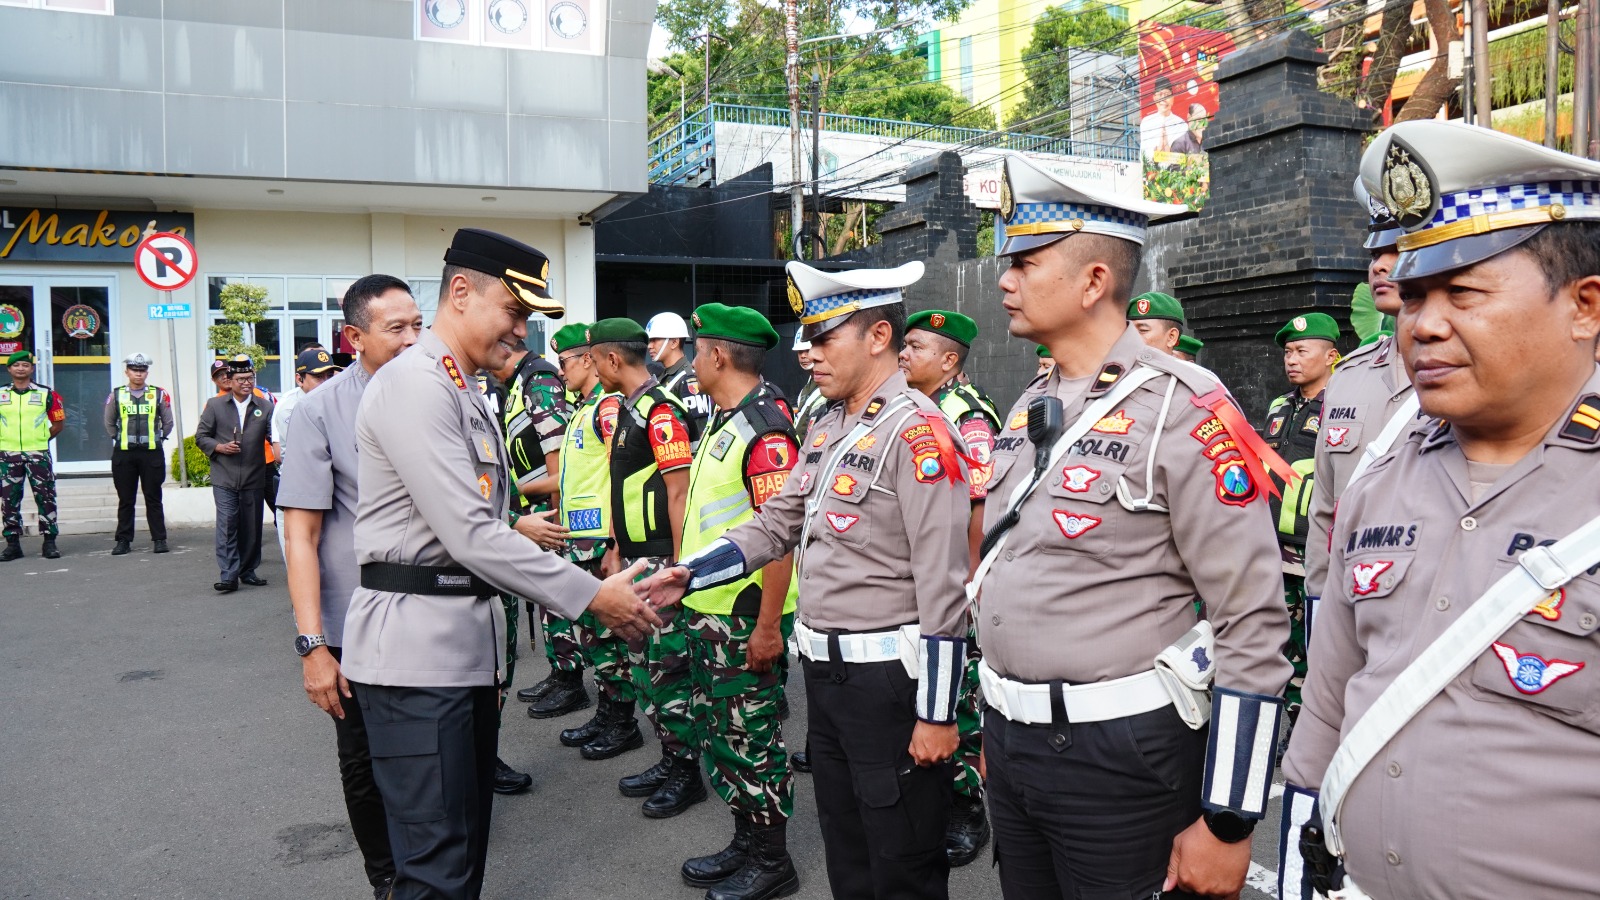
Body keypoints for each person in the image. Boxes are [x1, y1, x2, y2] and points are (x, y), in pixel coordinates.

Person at [1280, 121, 1600, 900]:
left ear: (1585, 305)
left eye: (1463, 293)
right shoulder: (1380, 480)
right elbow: (1331, 697)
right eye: (1415, 295)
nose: (1422, 324)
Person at [973, 152, 1293, 899]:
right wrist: (997, 723)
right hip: (1014, 739)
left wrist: (1229, 820)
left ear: (1094, 281)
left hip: (1121, 754)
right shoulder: (1031, 403)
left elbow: (1251, 617)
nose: (1004, 279)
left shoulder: (1186, 404)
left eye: (1025, 260)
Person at [340, 228, 661, 900]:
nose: (520, 333)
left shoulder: (462, 390)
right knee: (435, 873)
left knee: (458, 862)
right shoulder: (419, 387)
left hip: (453, 652)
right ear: (461, 292)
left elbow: (475, 523)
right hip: (416, 657)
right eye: (513, 313)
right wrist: (592, 595)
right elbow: (466, 533)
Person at [643, 258, 973, 900]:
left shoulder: (920, 434)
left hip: (888, 683)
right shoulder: (826, 425)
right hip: (826, 676)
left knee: (901, 859)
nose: (809, 354)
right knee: (848, 850)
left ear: (878, 337)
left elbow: (943, 585)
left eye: (824, 338)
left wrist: (937, 713)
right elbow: (775, 524)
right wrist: (690, 572)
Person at [279, 274, 423, 900]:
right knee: (366, 765)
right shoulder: (320, 411)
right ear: (353, 337)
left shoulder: (445, 393)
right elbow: (301, 537)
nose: (413, 340)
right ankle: (387, 879)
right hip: (358, 626)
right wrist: (313, 646)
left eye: (419, 325)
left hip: (437, 619)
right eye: (397, 329)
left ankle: (431, 869)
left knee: (438, 762)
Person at [675, 303, 802, 900]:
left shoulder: (765, 427)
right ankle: (746, 838)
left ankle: (773, 859)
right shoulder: (727, 420)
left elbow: (781, 536)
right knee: (721, 732)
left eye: (697, 350)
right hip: (712, 611)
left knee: (752, 736)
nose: (692, 359)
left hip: (746, 613)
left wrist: (769, 626)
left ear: (719, 355)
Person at [589, 316, 705, 817]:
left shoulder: (659, 411)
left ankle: (685, 771)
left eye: (594, 359)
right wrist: (615, 545)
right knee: (646, 668)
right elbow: (621, 483)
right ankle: (669, 755)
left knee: (667, 669)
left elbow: (677, 490)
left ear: (613, 359)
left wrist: (678, 564)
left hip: (660, 556)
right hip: (635, 555)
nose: (592, 368)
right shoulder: (630, 410)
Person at [897, 308, 998, 868]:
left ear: (949, 360)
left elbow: (979, 505)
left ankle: (967, 809)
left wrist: (969, 579)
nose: (904, 355)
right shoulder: (912, 408)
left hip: (953, 580)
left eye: (915, 347)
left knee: (957, 696)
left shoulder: (968, 415)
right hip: (916, 577)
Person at [1300, 179, 1418, 637]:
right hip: (1344, 603)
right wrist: (1317, 597)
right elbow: (1326, 508)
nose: (1380, 267)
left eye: (1397, 251)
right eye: (1374, 256)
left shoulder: (1479, 375)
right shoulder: (1349, 376)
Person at [545, 324, 639, 760]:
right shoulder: (584, 408)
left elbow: (618, 476)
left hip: (599, 542)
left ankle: (621, 721)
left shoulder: (606, 408)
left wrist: (615, 545)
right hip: (581, 540)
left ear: (588, 359)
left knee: (608, 635)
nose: (560, 372)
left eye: (564, 362)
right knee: (594, 637)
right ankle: (607, 710)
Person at [493, 338, 594, 722]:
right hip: (531, 509)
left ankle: (571, 680)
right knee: (545, 598)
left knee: (555, 594)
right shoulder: (519, 383)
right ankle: (559, 670)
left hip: (547, 512)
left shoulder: (538, 382)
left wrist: (556, 521)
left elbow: (556, 461)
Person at [1261, 312, 1339, 753]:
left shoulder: (1342, 406)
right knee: (1275, 643)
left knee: (1313, 650)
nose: (1292, 359)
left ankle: (1306, 731)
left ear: (1331, 356)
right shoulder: (1279, 406)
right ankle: (1273, 728)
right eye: (1288, 352)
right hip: (1272, 548)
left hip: (1312, 551)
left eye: (1301, 351)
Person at [195, 355, 274, 592]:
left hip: (254, 475)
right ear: (230, 380)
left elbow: (275, 437)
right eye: (241, 379)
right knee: (228, 524)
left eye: (250, 378)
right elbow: (201, 437)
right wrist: (219, 447)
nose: (246, 383)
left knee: (251, 527)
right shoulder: (215, 405)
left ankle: (247, 570)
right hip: (224, 476)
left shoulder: (265, 406)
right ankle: (228, 574)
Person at [272, 348, 343, 558]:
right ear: (299, 379)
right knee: (301, 562)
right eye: (318, 377)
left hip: (333, 494)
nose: (326, 381)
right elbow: (301, 459)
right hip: (301, 496)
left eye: (329, 376)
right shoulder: (291, 408)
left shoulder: (335, 400)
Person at [103, 352, 173, 556]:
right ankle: (123, 540)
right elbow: (108, 422)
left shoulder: (158, 393)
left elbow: (168, 422)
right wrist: (119, 438)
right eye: (135, 370)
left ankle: (159, 539)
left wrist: (158, 438)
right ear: (127, 372)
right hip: (124, 454)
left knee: (153, 497)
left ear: (147, 373)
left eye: (142, 370)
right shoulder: (116, 394)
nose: (138, 374)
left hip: (151, 453)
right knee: (126, 499)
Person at [0, 350, 65, 561]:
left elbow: (58, 423)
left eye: (25, 365)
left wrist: (41, 439)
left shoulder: (47, 394)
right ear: (9, 369)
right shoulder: (1, 394)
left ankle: (49, 542)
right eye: (16, 365)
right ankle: (12, 545)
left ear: (32, 369)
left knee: (45, 497)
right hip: (8, 455)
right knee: (9, 501)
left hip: (38, 454)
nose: (21, 368)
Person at [648, 311, 713, 438]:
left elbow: (697, 433)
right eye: (649, 340)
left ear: (674, 342)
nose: (650, 346)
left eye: (655, 340)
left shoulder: (689, 379)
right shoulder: (663, 376)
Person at [1139, 76, 1189, 158]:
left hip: (1176, 169)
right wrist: (1158, 150)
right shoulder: (1146, 122)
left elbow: (1184, 155)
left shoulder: (1182, 125)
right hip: (1153, 169)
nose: (1163, 99)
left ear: (1173, 98)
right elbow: (1144, 154)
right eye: (1160, 94)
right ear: (1154, 98)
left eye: (1167, 95)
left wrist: (1168, 151)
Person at [790, 332, 826, 445]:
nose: (803, 356)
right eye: (800, 352)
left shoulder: (830, 387)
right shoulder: (806, 388)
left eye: (807, 350)